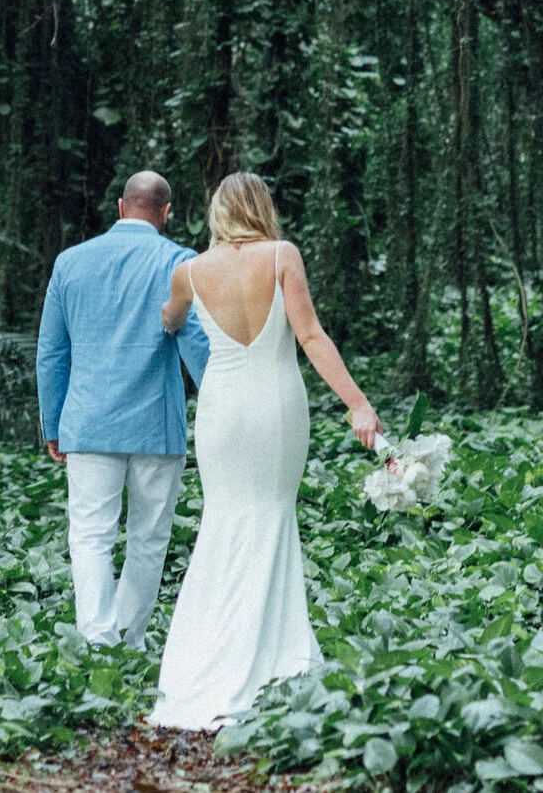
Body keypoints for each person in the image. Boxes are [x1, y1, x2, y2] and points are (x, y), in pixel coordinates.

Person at [149, 172, 380, 732]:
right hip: (277, 405)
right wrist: (358, 406)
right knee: (273, 517)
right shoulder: (282, 254)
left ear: (218, 212)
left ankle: (206, 661)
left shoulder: (190, 272)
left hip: (222, 410)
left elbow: (169, 319)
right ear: (262, 208)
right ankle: (274, 659)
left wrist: (175, 318)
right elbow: (311, 336)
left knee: (222, 521)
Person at [36, 170, 211, 651]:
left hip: (89, 424)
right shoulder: (180, 262)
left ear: (120, 207)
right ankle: (130, 641)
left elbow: (52, 353)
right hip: (156, 424)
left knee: (90, 535)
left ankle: (97, 640)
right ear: (166, 212)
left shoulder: (70, 263)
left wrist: (53, 422)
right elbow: (198, 346)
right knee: (149, 540)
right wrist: (222, 404)